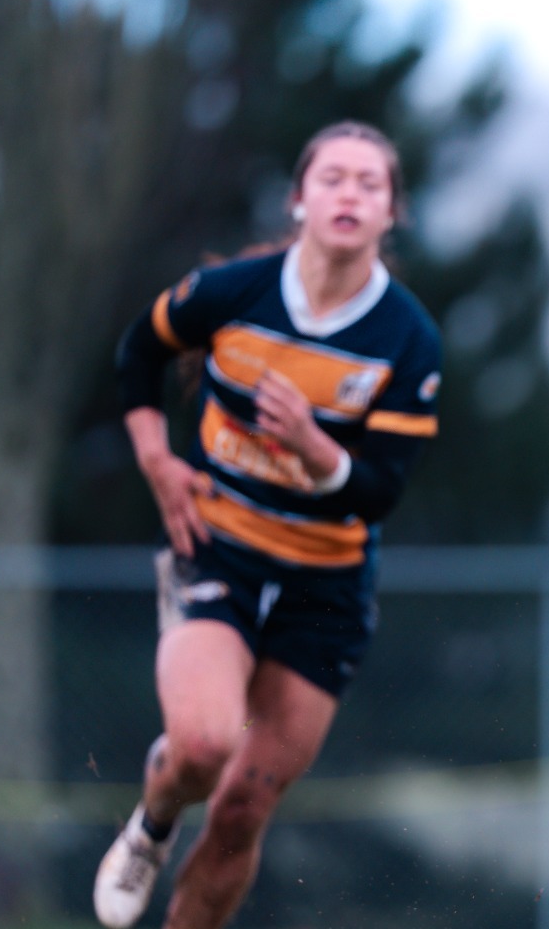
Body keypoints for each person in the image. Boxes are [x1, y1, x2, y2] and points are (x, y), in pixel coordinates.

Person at [95, 122, 442, 929]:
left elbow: (379, 492)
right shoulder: (232, 293)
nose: (350, 194)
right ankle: (152, 819)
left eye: (369, 183)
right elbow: (137, 355)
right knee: (206, 749)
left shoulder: (408, 339)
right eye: (332, 178)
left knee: (245, 806)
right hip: (218, 545)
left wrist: (316, 445)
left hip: (327, 581)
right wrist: (155, 459)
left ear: (392, 211)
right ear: (299, 199)